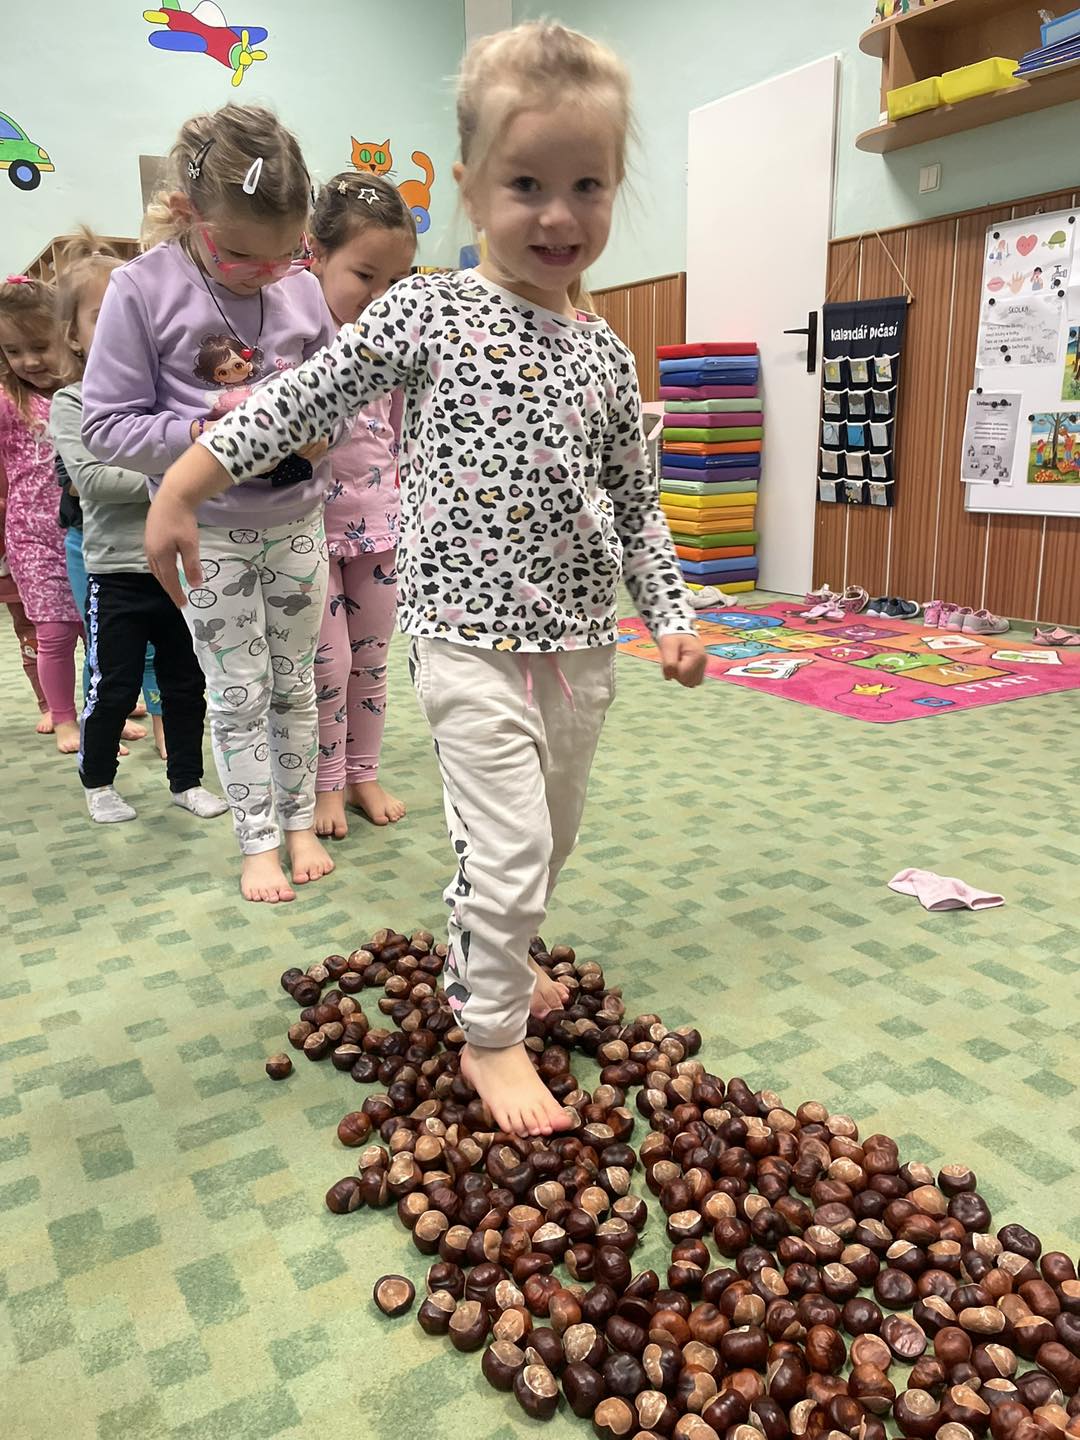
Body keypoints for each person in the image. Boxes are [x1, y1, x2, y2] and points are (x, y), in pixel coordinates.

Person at [144, 22, 707, 1135]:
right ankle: (489, 1035)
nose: (558, 214)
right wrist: (186, 483)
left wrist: (672, 615)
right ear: (471, 187)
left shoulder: (606, 352)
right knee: (507, 846)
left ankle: (495, 946)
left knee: (546, 840)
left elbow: (636, 502)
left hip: (580, 647)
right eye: (526, 183)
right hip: (465, 637)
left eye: (588, 185)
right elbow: (300, 399)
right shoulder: (427, 309)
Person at [83, 103, 337, 899]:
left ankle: (298, 822)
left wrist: (321, 430)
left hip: (296, 523)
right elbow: (106, 425)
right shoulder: (141, 288)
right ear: (187, 213)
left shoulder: (301, 288)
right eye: (241, 253)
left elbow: (340, 391)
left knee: (296, 682)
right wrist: (206, 431)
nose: (267, 271)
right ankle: (256, 839)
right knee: (237, 693)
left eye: (286, 253)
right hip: (211, 535)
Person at [50, 230, 227, 824]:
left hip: (177, 568)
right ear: (74, 334)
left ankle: (187, 781)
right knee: (113, 686)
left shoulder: (165, 396)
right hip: (117, 572)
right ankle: (99, 782)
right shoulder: (73, 401)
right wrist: (180, 475)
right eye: (101, 316)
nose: (121, 325)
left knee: (186, 683)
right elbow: (92, 480)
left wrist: (183, 465)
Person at [307, 172, 416, 838]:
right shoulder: (298, 328)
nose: (380, 297)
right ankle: (324, 782)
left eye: (396, 282)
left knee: (372, 660)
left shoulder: (395, 343)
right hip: (307, 529)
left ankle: (362, 773)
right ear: (316, 254)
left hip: (379, 525)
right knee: (329, 663)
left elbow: (399, 432)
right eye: (364, 276)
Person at [0, 274, 83, 752]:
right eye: (13, 350)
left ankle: (103, 712)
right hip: (32, 539)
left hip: (85, 533)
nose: (28, 361)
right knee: (53, 631)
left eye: (39, 346)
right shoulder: (8, 399)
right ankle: (64, 716)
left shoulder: (88, 390)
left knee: (99, 631)